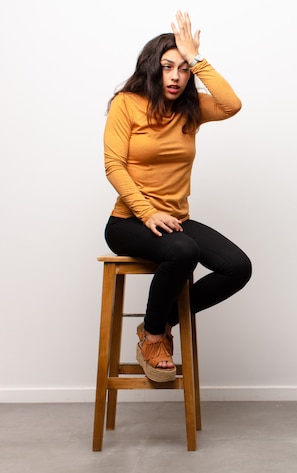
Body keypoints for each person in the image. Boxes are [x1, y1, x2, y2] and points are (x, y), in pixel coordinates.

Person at [103, 11, 252, 382]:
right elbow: (113, 165)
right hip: (129, 222)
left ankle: (161, 321)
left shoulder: (191, 109)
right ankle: (154, 338)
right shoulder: (127, 103)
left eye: (183, 69)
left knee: (238, 267)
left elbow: (232, 105)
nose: (176, 75)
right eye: (168, 66)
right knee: (184, 250)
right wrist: (148, 213)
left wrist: (198, 59)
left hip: (176, 220)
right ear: (152, 69)